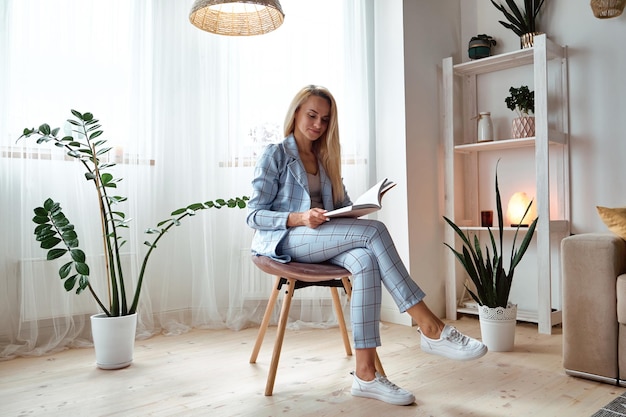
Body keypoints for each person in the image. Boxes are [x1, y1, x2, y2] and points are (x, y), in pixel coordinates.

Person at [246, 85, 487, 406]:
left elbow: (341, 207)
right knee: (374, 233)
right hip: (284, 240)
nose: (318, 124)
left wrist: (359, 207)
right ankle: (431, 327)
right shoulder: (275, 154)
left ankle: (366, 375)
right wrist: (301, 217)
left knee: (364, 259)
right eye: (312, 115)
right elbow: (254, 215)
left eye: (325, 119)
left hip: (320, 237)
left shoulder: (325, 157)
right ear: (296, 114)